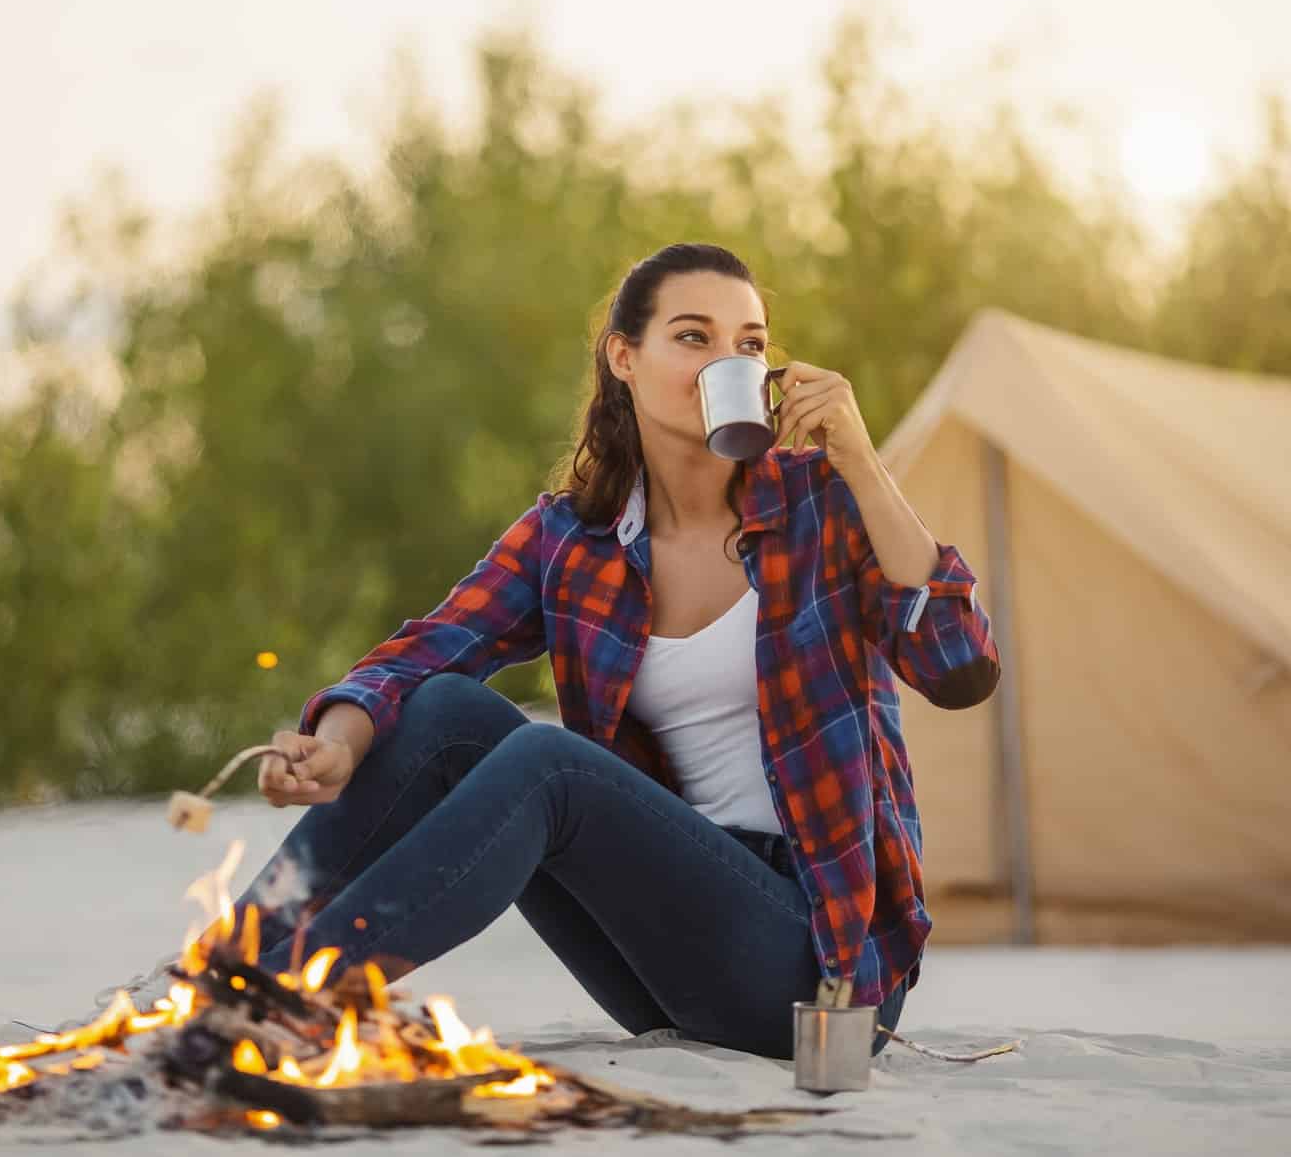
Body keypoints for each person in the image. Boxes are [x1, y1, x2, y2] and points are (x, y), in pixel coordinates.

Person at [231, 242, 1000, 1060]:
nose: (727, 360)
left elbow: (960, 668)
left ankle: (287, 997)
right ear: (624, 357)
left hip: (823, 976)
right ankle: (222, 975)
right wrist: (340, 739)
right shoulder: (573, 537)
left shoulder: (823, 504)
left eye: (749, 343)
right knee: (449, 709)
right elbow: (426, 651)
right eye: (694, 337)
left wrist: (863, 464)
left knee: (549, 763)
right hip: (660, 949)